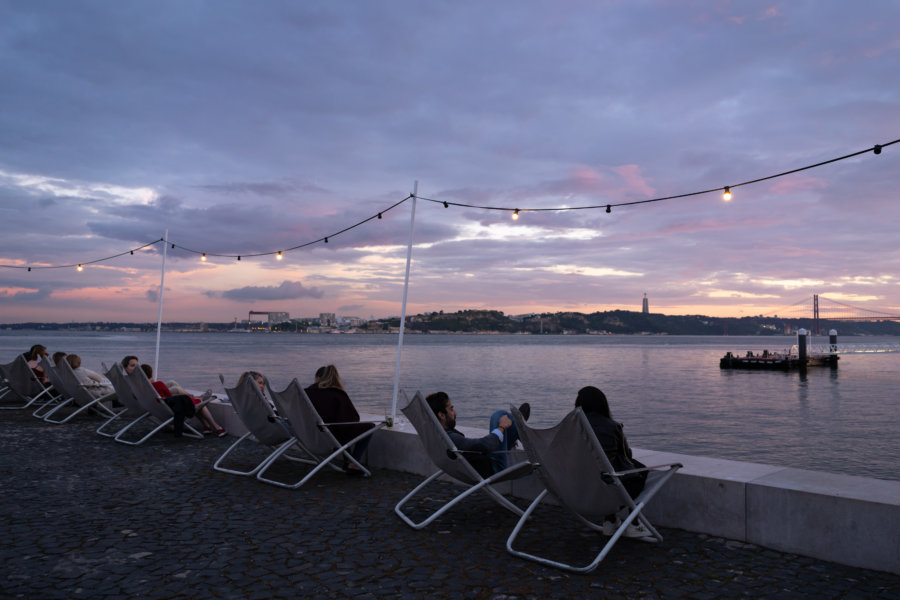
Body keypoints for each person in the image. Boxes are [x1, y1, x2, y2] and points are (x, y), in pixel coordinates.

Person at [575, 385, 650, 538]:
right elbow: (627, 455)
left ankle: (610, 521)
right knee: (639, 470)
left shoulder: (572, 427)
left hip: (577, 488)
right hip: (605, 491)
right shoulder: (611, 426)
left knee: (606, 472)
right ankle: (633, 523)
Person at [425, 391, 530, 477]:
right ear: (441, 415)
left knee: (508, 423)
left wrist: (427, 406)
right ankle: (518, 425)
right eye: (451, 409)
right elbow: (484, 445)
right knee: (498, 415)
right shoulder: (450, 438)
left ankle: (516, 426)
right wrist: (501, 427)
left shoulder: (434, 433)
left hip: (469, 467)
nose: (455, 413)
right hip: (494, 466)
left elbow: (427, 421)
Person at [304, 365, 373, 474]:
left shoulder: (305, 393)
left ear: (317, 378)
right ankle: (353, 463)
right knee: (368, 427)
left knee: (339, 429)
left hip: (307, 435)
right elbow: (352, 419)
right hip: (330, 439)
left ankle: (348, 461)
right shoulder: (337, 394)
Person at [139, 363, 224, 437]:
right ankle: (217, 427)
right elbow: (169, 396)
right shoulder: (158, 384)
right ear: (151, 373)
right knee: (199, 403)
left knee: (173, 383)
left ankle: (206, 426)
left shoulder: (143, 388)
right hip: (171, 406)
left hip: (161, 406)